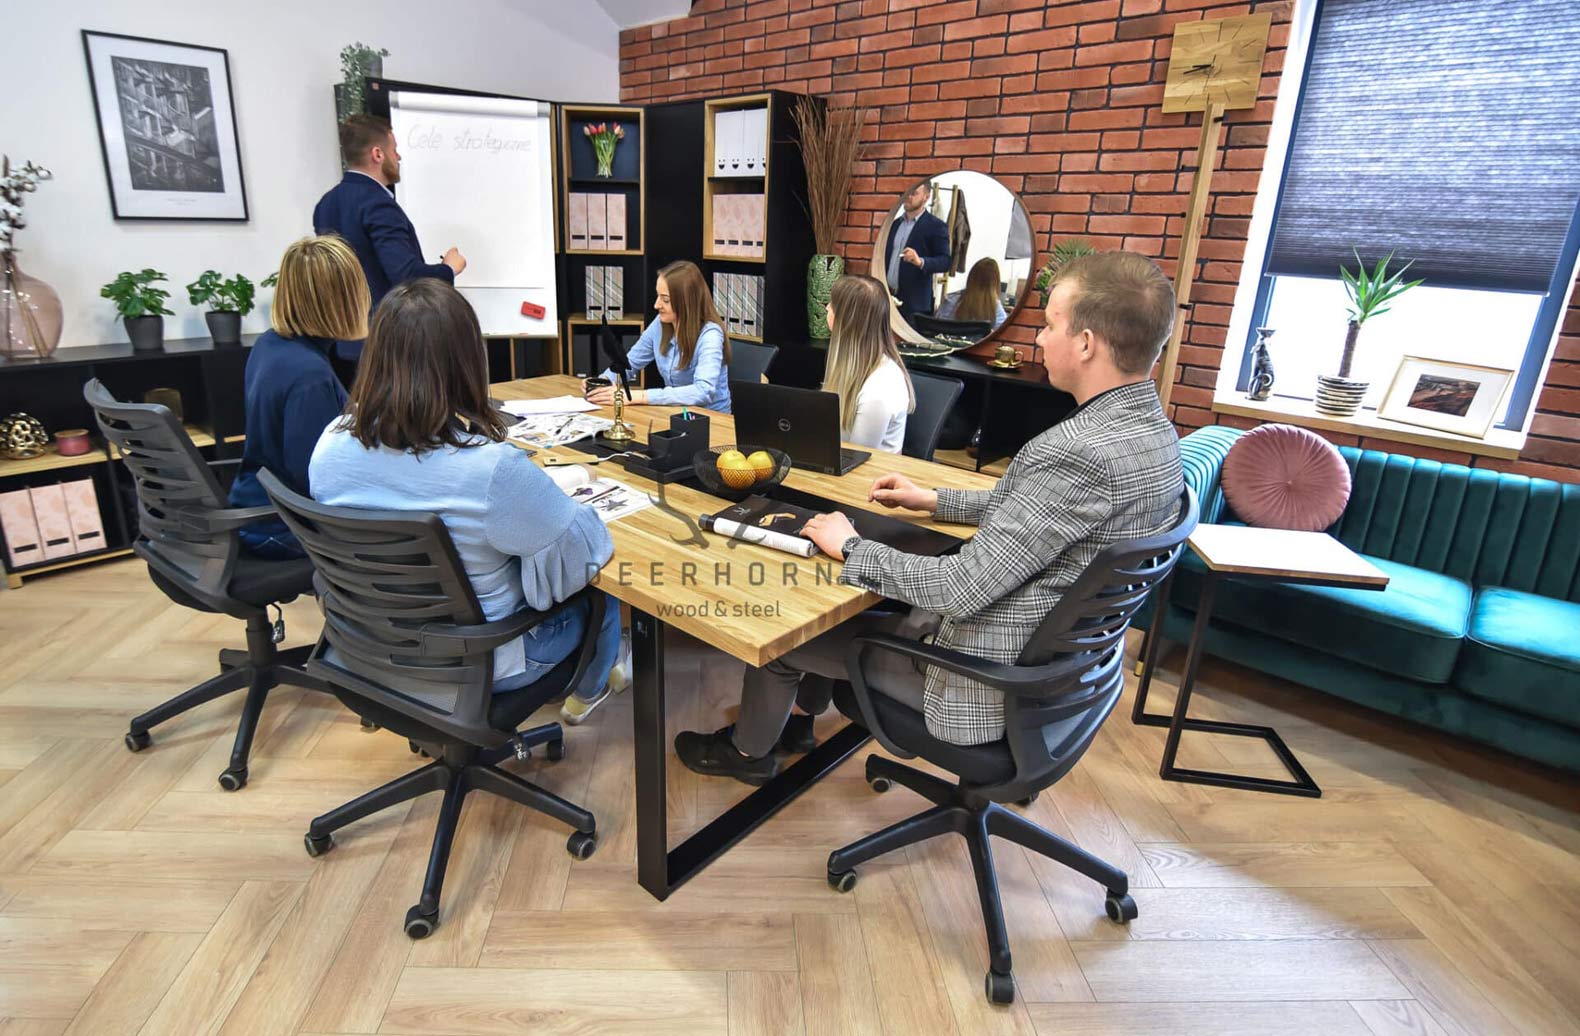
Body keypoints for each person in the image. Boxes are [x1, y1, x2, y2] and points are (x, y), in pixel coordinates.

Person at [675, 251, 1185, 784]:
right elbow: (1044, 515)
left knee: (783, 642)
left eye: (1051, 323)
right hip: (1065, 677)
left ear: (1086, 343)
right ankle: (800, 726)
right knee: (857, 606)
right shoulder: (1155, 437)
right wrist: (936, 501)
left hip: (978, 681)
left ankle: (747, 754)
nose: (1038, 337)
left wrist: (851, 545)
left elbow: (959, 589)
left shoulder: (1076, 451)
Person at [310, 279, 629, 723]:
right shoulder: (490, 469)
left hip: (372, 647)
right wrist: (561, 492)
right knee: (600, 594)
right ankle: (592, 689)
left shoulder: (328, 448)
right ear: (466, 360)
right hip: (481, 661)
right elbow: (583, 552)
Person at [227, 235, 366, 560]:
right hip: (281, 527)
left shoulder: (271, 344)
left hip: (258, 506)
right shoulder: (310, 377)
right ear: (342, 300)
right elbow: (320, 481)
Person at [313, 114, 467, 381]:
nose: (399, 158)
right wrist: (449, 268)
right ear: (377, 154)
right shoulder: (378, 204)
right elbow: (405, 275)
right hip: (388, 343)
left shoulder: (326, 204)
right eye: (394, 150)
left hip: (341, 341)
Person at [585, 260, 732, 414]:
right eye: (658, 296)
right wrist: (602, 383)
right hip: (677, 413)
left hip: (712, 420)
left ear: (686, 302)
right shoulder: (660, 323)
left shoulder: (710, 335)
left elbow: (703, 391)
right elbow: (630, 363)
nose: (656, 305)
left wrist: (639, 396)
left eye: (665, 300)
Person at [822, 274, 914, 453]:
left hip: (868, 477)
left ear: (847, 319)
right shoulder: (850, 365)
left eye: (833, 305)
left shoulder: (881, 387)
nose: (827, 308)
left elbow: (855, 457)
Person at [884, 181, 951, 319]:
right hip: (887, 298)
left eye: (914, 193)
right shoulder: (894, 224)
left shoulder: (936, 226)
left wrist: (920, 261)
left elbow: (945, 262)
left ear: (926, 197)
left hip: (914, 304)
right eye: (907, 191)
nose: (908, 196)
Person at [937, 257, 1009, 330]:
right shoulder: (997, 310)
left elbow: (937, 326)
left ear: (970, 277)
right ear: (995, 282)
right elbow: (1004, 334)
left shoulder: (950, 300)